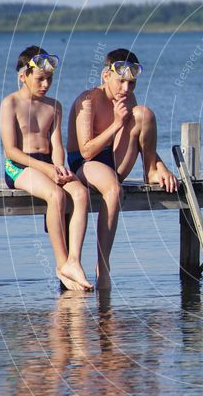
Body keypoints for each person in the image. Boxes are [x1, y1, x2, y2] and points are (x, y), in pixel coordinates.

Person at [67, 48, 177, 290]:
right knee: (114, 190)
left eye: (131, 83)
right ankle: (102, 267)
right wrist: (117, 123)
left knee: (143, 114)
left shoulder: (128, 100)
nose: (126, 89)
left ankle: (151, 171)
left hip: (113, 161)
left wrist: (161, 166)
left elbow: (140, 140)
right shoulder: (87, 101)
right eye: (121, 82)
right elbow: (86, 151)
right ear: (106, 75)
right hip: (85, 164)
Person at [0, 46, 92, 291]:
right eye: (40, 79)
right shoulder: (10, 103)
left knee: (81, 193)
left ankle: (74, 260)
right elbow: (11, 151)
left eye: (49, 79)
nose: (46, 84)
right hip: (20, 166)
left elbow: (56, 145)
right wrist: (48, 170)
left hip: (48, 164)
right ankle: (62, 263)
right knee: (56, 195)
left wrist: (59, 167)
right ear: (23, 76)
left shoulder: (54, 106)